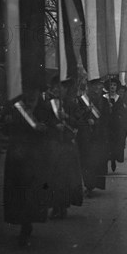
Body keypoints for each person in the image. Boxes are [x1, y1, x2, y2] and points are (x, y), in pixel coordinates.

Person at [3, 88, 52, 247]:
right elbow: (5, 127)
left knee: (32, 192)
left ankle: (27, 223)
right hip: (18, 156)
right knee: (19, 191)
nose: (31, 95)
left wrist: (45, 129)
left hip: (35, 158)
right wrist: (6, 120)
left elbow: (51, 127)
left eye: (34, 91)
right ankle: (24, 223)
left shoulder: (44, 107)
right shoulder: (16, 106)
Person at [44, 77, 83, 219]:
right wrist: (54, 126)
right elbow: (44, 123)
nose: (57, 89)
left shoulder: (72, 105)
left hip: (67, 145)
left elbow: (79, 123)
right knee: (53, 178)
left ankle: (63, 206)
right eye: (55, 87)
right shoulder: (48, 105)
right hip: (53, 145)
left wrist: (66, 117)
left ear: (66, 89)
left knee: (65, 178)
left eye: (60, 87)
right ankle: (54, 205)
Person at [76, 78, 110, 196]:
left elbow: (107, 118)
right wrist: (86, 118)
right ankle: (89, 185)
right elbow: (77, 116)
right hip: (86, 136)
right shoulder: (82, 100)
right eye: (94, 86)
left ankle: (95, 183)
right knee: (87, 161)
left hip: (99, 135)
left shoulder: (105, 101)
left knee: (98, 161)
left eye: (98, 86)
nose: (97, 89)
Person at [103, 77, 127, 172]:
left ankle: (113, 160)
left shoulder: (119, 99)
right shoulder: (104, 98)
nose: (112, 87)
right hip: (106, 125)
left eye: (114, 85)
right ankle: (105, 163)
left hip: (116, 125)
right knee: (105, 145)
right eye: (111, 85)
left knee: (114, 144)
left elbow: (122, 112)